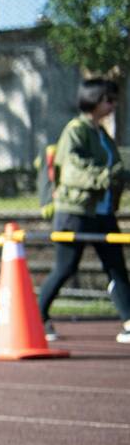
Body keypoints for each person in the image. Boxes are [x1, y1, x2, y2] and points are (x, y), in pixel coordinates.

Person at [37, 78, 130, 344]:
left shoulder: (102, 134)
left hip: (102, 213)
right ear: (95, 100)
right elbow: (72, 170)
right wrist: (104, 178)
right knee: (65, 268)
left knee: (116, 267)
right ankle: (38, 316)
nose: (113, 105)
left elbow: (117, 169)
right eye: (108, 100)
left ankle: (129, 320)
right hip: (75, 213)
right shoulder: (75, 130)